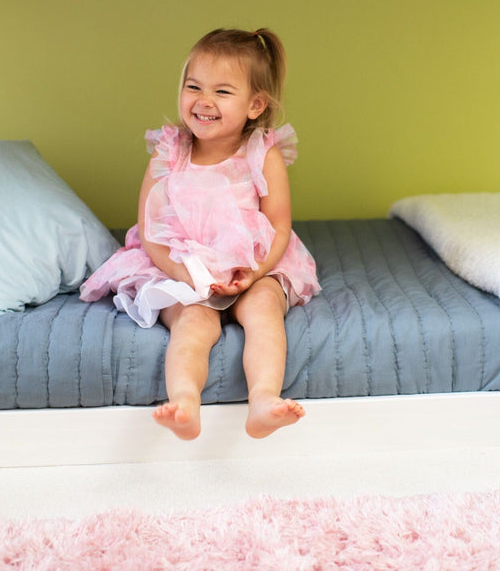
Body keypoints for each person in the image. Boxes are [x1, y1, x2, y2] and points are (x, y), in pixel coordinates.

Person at [80, 27, 320, 440]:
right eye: (194, 87)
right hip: (181, 264)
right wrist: (187, 276)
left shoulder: (263, 152)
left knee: (263, 311)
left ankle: (263, 400)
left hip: (251, 264)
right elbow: (151, 232)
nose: (203, 101)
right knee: (194, 323)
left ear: (255, 104)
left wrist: (255, 271)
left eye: (223, 92)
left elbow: (279, 225)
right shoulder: (169, 150)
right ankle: (185, 402)